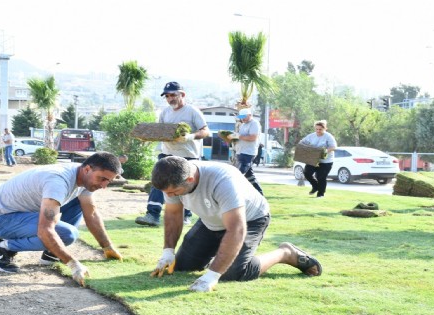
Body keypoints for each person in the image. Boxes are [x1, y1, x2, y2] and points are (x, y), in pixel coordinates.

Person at [149, 156, 322, 292]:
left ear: (189, 179)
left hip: (249, 220)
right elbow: (172, 214)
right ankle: (220, 254)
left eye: (174, 192)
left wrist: (212, 276)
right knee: (181, 266)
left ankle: (285, 253)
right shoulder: (172, 176)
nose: (170, 196)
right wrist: (168, 252)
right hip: (212, 221)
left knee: (233, 273)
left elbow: (236, 230)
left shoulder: (223, 181)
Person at [0, 152, 125, 286]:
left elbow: (91, 214)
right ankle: (3, 248)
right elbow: (45, 230)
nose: (104, 186)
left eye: (109, 181)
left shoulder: (84, 178)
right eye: (102, 179)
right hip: (0, 220)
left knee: (79, 202)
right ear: (87, 169)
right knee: (68, 234)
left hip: (25, 214)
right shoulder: (58, 182)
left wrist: (107, 247)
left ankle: (51, 252)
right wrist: (73, 264)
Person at [135, 81, 210, 227]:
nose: (170, 99)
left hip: (187, 156)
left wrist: (190, 137)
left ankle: (185, 216)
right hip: (167, 154)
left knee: (185, 185)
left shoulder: (192, 111)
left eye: (173, 95)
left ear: (182, 94)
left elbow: (205, 131)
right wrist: (147, 138)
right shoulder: (165, 112)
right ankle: (152, 215)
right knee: (157, 182)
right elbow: (161, 132)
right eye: (167, 96)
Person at [227, 108, 263, 195]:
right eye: (241, 117)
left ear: (250, 115)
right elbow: (240, 137)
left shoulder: (254, 123)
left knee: (239, 174)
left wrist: (239, 136)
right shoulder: (243, 125)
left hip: (248, 153)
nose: (242, 119)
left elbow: (253, 137)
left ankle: (234, 194)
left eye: (244, 117)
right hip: (240, 152)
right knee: (250, 176)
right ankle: (259, 194)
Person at [299, 120, 337, 198]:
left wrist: (324, 152)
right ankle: (315, 186)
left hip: (326, 161)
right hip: (313, 158)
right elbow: (302, 143)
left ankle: (320, 194)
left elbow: (333, 147)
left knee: (321, 177)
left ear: (325, 128)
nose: (318, 131)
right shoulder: (311, 136)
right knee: (307, 173)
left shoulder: (329, 136)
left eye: (320, 129)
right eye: (317, 129)